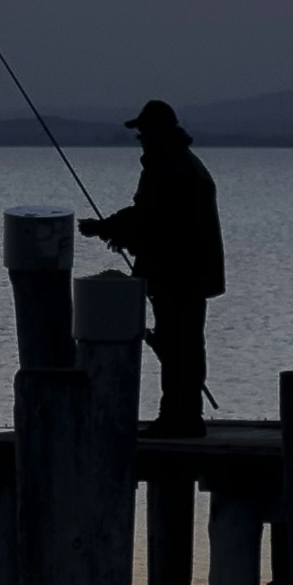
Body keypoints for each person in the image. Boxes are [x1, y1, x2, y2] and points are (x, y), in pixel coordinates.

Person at [84, 97, 224, 425]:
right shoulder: (183, 162)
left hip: (177, 274)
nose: (141, 139)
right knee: (183, 343)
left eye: (144, 132)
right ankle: (182, 415)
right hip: (188, 273)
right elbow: (155, 219)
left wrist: (104, 228)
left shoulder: (168, 166)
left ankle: (179, 418)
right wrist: (115, 231)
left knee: (177, 344)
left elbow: (150, 217)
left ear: (159, 131)